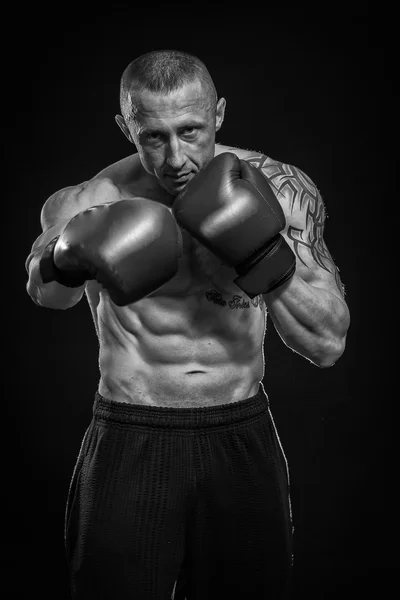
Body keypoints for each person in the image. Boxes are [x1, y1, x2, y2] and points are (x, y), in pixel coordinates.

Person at [25, 49, 350, 600]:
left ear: (219, 114)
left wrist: (262, 255)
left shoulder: (281, 188)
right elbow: (45, 294)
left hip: (241, 434)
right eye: (153, 136)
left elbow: (328, 342)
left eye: (191, 130)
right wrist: (64, 256)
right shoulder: (92, 200)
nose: (176, 157)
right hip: (131, 433)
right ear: (125, 127)